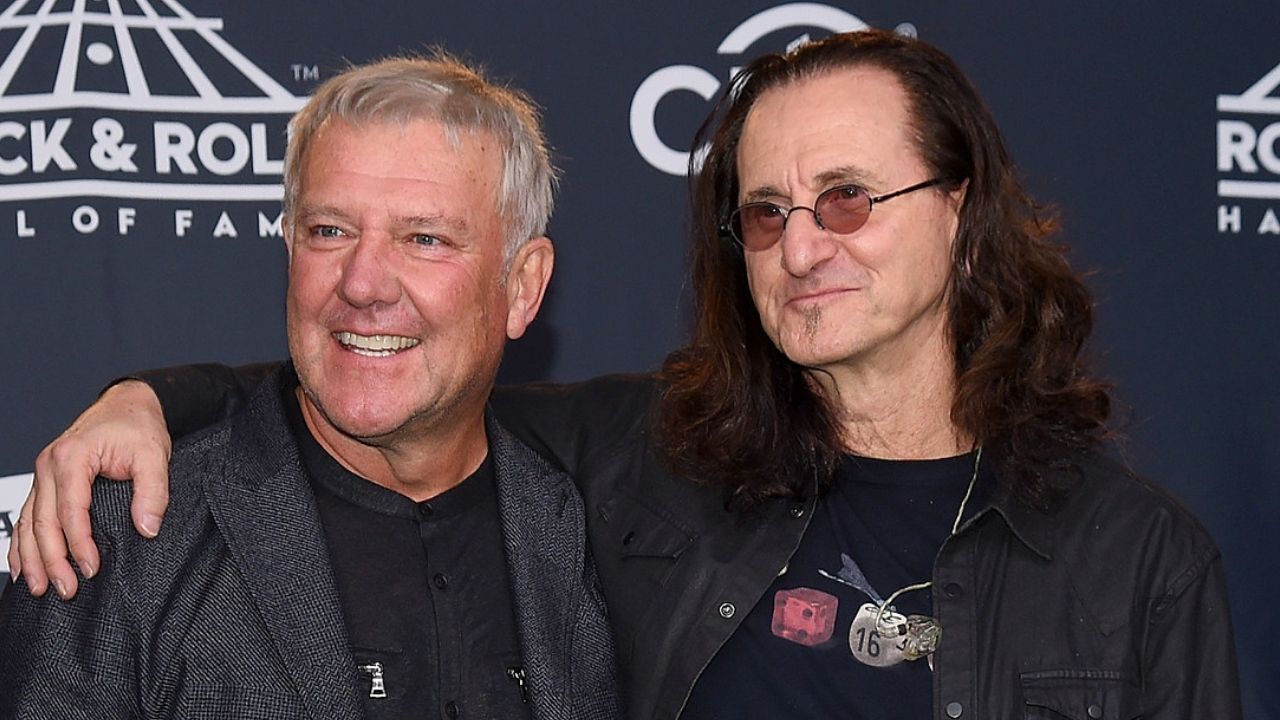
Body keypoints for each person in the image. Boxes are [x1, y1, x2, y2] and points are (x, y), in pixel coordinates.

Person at [9, 30, 1241, 719]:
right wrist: (152, 400)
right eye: (762, 214)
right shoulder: (661, 462)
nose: (801, 245)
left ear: (959, 211)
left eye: (847, 201)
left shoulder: (1136, 560)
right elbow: (388, 384)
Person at [0, 55, 620, 719]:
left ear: (522, 286)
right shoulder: (121, 539)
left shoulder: (601, 531)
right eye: (330, 231)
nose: (362, 283)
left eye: (425, 238)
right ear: (291, 247)